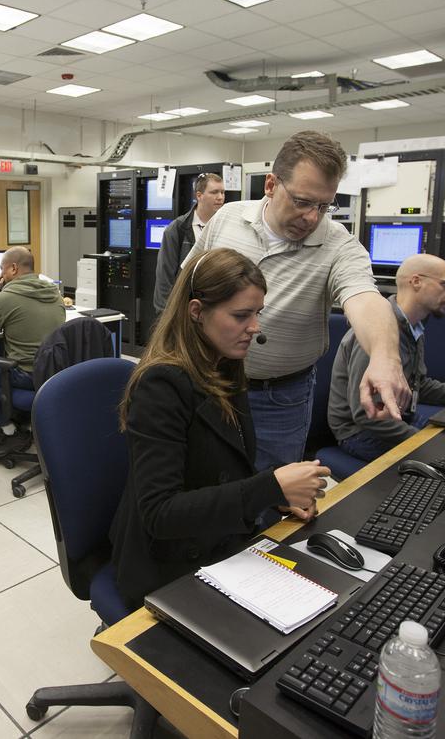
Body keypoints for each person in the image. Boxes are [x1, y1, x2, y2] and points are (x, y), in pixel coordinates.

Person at [110, 248, 333, 610]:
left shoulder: (224, 364)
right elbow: (160, 513)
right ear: (197, 312)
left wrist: (275, 496)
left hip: (216, 538)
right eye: (241, 315)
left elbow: (223, 471)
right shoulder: (161, 384)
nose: (255, 327)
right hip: (168, 560)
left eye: (257, 313)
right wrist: (268, 487)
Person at [186, 131, 412, 472]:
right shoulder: (228, 217)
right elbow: (186, 283)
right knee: (204, 482)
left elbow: (365, 300)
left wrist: (384, 358)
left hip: (277, 398)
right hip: (206, 379)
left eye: (324, 206)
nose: (312, 217)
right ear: (271, 184)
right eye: (303, 201)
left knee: (269, 498)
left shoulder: (339, 246)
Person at [328, 254, 445, 461]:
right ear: (416, 282)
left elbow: (419, 385)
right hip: (362, 434)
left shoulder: (413, 327)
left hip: (399, 420)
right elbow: (368, 415)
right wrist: (422, 442)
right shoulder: (376, 333)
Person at [0, 247, 66, 452]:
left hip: (25, 374)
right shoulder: (54, 292)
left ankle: (9, 431)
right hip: (54, 374)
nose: (1, 274)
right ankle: (25, 422)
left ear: (13, 268)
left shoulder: (6, 297)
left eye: (2, 269)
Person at [153, 172, 227, 312]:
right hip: (184, 307)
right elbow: (164, 275)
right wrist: (165, 313)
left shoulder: (227, 226)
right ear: (199, 196)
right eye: (214, 192)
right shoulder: (177, 229)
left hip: (216, 306)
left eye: (223, 192)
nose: (220, 197)